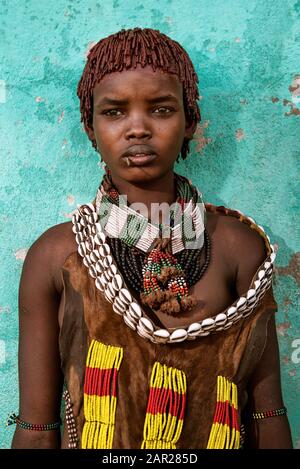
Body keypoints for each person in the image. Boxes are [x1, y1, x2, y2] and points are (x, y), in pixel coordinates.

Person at [10, 27, 292, 449]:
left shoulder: (237, 247)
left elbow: (266, 414)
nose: (138, 128)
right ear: (90, 126)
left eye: (161, 110)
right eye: (115, 112)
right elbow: (36, 429)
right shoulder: (57, 254)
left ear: (190, 120)